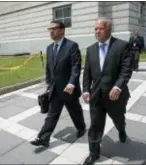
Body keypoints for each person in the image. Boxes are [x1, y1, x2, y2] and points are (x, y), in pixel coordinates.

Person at [82, 17, 132, 165]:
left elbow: (126, 70)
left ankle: (121, 130)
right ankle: (94, 153)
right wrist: (85, 90)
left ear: (109, 29)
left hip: (115, 95)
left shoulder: (122, 46)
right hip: (96, 95)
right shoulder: (91, 49)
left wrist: (118, 86)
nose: (97, 31)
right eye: (95, 28)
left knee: (118, 119)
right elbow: (87, 72)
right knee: (95, 125)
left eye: (100, 28)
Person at [30, 20, 86, 148]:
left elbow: (75, 67)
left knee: (75, 111)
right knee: (52, 114)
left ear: (62, 30)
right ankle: (43, 138)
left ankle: (81, 128)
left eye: (53, 28)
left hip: (68, 89)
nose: (51, 31)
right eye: (49, 29)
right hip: (55, 89)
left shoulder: (72, 46)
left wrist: (72, 83)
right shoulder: (50, 48)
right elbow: (49, 68)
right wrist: (48, 84)